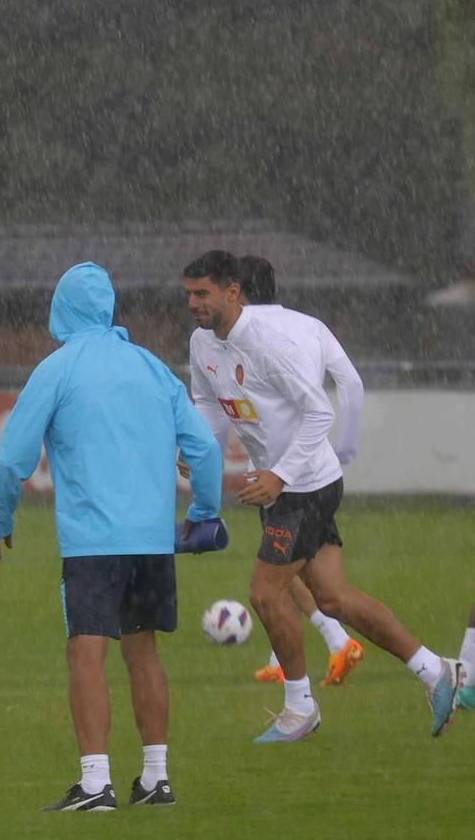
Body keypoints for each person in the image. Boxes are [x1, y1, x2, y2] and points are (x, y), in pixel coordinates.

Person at [183, 250, 462, 742]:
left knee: (265, 593)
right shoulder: (202, 344)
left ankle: (300, 707)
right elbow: (208, 402)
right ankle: (436, 671)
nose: (193, 304)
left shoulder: (268, 343)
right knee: (333, 598)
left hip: (305, 487)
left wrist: (281, 476)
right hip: (286, 489)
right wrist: (202, 447)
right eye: (188, 294)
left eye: (202, 293)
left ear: (233, 292)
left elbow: (319, 412)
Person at [0, 262, 223, 812]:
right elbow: (206, 451)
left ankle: (95, 785)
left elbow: (9, 460)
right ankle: (156, 779)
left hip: (94, 542)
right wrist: (205, 515)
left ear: (60, 310)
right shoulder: (151, 367)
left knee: (85, 654)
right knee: (144, 652)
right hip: (152, 541)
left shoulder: (58, 368)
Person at [234, 255, 367, 688]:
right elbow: (350, 384)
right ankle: (294, 653)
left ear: (236, 289)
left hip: (284, 476)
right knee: (294, 565)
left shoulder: (237, 336)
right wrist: (344, 448)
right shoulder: (310, 325)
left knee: (284, 572)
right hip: (319, 469)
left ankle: (344, 647)